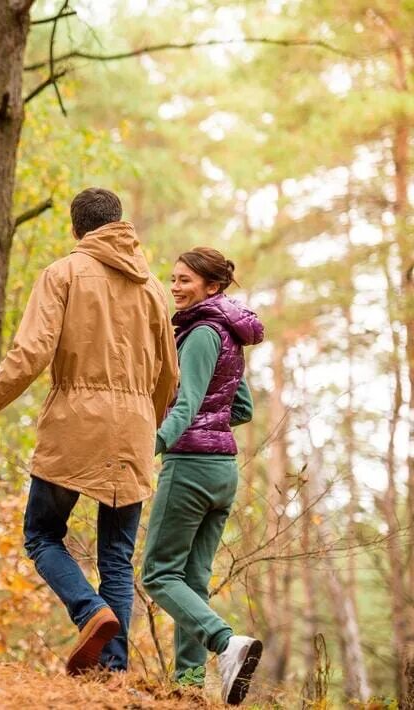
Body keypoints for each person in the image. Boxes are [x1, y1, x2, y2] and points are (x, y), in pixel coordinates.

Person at [0, 188, 179, 674]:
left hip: (76, 424)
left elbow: (28, 358)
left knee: (41, 533)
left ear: (77, 230)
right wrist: (146, 424)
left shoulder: (63, 274)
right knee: (116, 556)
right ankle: (111, 672)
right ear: (120, 224)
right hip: (135, 431)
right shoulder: (155, 288)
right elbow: (169, 378)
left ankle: (89, 610)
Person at [140, 247, 264, 706]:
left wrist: (152, 443)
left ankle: (225, 642)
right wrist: (211, 425)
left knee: (157, 573)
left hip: (190, 467)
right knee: (191, 580)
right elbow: (243, 408)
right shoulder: (229, 335)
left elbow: (187, 402)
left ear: (213, 287)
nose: (175, 287)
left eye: (185, 280)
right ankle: (189, 686)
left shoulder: (199, 333)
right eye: (172, 279)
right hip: (223, 472)